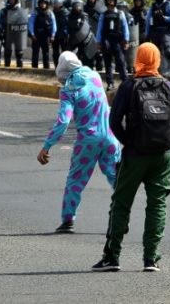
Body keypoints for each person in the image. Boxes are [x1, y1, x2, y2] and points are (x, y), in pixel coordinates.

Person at [92, 42, 170, 272]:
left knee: (121, 204)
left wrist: (130, 141)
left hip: (135, 156)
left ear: (139, 58)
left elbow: (114, 122)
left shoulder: (129, 86)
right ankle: (151, 259)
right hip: (163, 157)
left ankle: (112, 256)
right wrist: (167, 140)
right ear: (157, 60)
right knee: (157, 206)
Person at [37, 51, 121, 234]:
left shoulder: (68, 90)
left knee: (75, 180)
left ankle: (68, 220)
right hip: (110, 137)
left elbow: (63, 121)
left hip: (88, 141)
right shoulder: (95, 76)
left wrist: (47, 145)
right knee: (117, 179)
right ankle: (122, 219)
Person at [96, 0, 130, 90]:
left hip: (118, 42)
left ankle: (125, 82)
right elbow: (99, 29)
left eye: (112, 0)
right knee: (108, 63)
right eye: (108, 0)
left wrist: (126, 40)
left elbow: (125, 28)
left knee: (121, 62)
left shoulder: (120, 14)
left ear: (115, 1)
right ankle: (110, 83)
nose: (110, 2)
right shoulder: (103, 15)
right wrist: (98, 42)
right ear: (106, 1)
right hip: (106, 41)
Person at [0, 0, 28, 68]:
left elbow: (24, 22)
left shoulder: (20, 11)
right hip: (8, 33)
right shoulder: (4, 11)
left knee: (19, 53)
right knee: (7, 52)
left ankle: (20, 69)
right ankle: (7, 69)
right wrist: (1, 31)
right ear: (8, 0)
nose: (12, 1)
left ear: (16, 0)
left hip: (18, 33)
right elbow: (0, 22)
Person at [29, 0, 57, 69]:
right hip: (36, 35)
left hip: (46, 35)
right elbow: (31, 23)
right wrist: (32, 34)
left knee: (46, 53)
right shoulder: (35, 12)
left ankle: (46, 68)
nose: (43, 5)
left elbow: (54, 24)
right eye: (41, 3)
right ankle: (34, 68)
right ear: (39, 4)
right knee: (35, 53)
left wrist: (53, 35)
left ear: (47, 4)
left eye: (44, 3)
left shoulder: (50, 13)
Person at [67, 0, 97, 69]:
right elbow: (68, 26)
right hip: (73, 39)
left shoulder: (84, 16)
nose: (77, 7)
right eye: (76, 6)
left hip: (84, 40)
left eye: (79, 6)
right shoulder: (69, 16)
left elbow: (87, 28)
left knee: (85, 57)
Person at [52, 0, 70, 68]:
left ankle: (65, 67)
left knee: (65, 52)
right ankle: (57, 66)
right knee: (55, 52)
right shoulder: (52, 13)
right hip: (55, 35)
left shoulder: (66, 13)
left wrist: (67, 34)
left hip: (64, 36)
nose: (56, 6)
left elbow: (68, 25)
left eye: (57, 4)